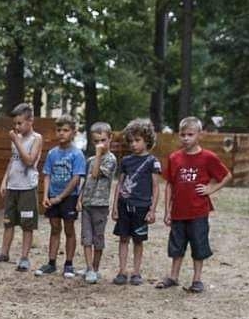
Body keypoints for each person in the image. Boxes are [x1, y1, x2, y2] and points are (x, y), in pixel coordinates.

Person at [157, 116, 232, 293]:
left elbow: (226, 176)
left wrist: (210, 189)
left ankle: (197, 280)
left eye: (190, 134)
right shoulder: (174, 157)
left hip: (198, 211)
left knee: (198, 245)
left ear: (200, 135)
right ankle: (173, 277)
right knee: (176, 246)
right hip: (178, 212)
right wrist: (167, 210)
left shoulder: (208, 157)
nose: (186, 138)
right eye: (183, 134)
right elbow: (169, 184)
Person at [0, 103, 43, 271]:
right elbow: (13, 160)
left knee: (27, 224)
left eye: (20, 123)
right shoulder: (16, 139)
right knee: (8, 222)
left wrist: (17, 141)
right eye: (15, 124)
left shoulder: (36, 138)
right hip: (13, 186)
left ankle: (24, 258)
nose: (17, 127)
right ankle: (4, 253)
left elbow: (29, 160)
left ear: (30, 121)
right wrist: (4, 181)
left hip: (27, 187)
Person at [34, 114, 86, 277]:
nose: (61, 133)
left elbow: (76, 178)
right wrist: (46, 196)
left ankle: (69, 264)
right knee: (54, 228)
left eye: (65, 130)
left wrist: (61, 197)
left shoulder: (77, 154)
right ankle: (51, 262)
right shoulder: (52, 153)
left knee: (69, 230)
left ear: (73, 132)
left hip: (68, 198)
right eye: (59, 130)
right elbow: (47, 174)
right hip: (53, 195)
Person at [111, 118, 161, 285]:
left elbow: (155, 187)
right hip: (124, 205)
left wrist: (152, 209)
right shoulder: (126, 161)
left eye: (137, 140)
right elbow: (120, 183)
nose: (133, 144)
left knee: (138, 240)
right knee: (123, 238)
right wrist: (115, 206)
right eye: (130, 140)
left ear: (147, 140)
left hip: (141, 207)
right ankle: (122, 271)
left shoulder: (152, 162)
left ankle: (136, 272)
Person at [76, 121, 117, 284]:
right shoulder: (91, 160)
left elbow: (95, 174)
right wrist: (80, 198)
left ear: (110, 139)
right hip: (87, 204)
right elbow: (87, 181)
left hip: (100, 206)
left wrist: (99, 155)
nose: (99, 144)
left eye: (103, 140)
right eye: (96, 141)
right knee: (86, 237)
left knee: (97, 239)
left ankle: (95, 267)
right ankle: (89, 268)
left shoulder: (110, 159)